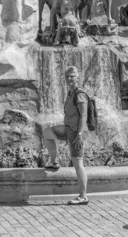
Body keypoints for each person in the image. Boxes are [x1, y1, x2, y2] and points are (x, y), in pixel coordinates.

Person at [43, 65, 88, 205]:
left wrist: (80, 134)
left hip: (76, 132)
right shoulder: (70, 93)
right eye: (67, 76)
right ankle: (54, 161)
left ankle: (83, 196)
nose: (69, 79)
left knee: (78, 163)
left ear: (77, 77)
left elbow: (84, 115)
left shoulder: (80, 94)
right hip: (68, 128)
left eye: (72, 76)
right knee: (47, 133)